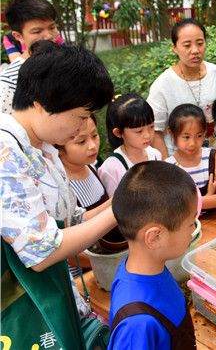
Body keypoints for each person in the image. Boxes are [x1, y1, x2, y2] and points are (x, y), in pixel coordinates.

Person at [1, 41, 115, 349]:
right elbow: (42, 252)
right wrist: (116, 213)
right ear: (41, 103)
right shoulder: (6, 153)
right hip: (26, 313)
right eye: (80, 115)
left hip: (59, 294)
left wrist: (117, 202)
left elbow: (67, 222)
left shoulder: (44, 148)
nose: (84, 126)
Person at [108, 161, 199, 349]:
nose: (193, 229)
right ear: (155, 237)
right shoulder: (137, 325)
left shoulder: (147, 267)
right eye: (191, 223)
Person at [147, 19, 216, 158]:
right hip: (181, 162)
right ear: (175, 48)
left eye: (200, 43)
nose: (195, 50)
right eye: (187, 45)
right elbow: (155, 131)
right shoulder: (162, 85)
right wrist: (169, 167)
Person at [57, 114, 109, 277]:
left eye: (95, 135)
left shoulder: (93, 167)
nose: (93, 146)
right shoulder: (62, 188)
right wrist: (106, 262)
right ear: (58, 146)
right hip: (84, 274)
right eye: (81, 141)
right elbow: (70, 255)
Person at [0, 0, 61, 114]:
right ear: (18, 36)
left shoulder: (66, 65)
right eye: (37, 31)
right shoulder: (8, 85)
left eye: (52, 27)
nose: (48, 36)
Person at [165, 104, 216, 214]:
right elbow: (174, 208)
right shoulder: (168, 167)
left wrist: (189, 204)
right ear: (172, 134)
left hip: (215, 223)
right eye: (186, 137)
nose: (192, 143)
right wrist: (209, 197)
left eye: (199, 136)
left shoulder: (213, 156)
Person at [98, 93, 162, 196]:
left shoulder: (155, 155)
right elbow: (113, 205)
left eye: (151, 127)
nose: (147, 135)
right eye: (139, 131)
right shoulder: (111, 168)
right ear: (118, 133)